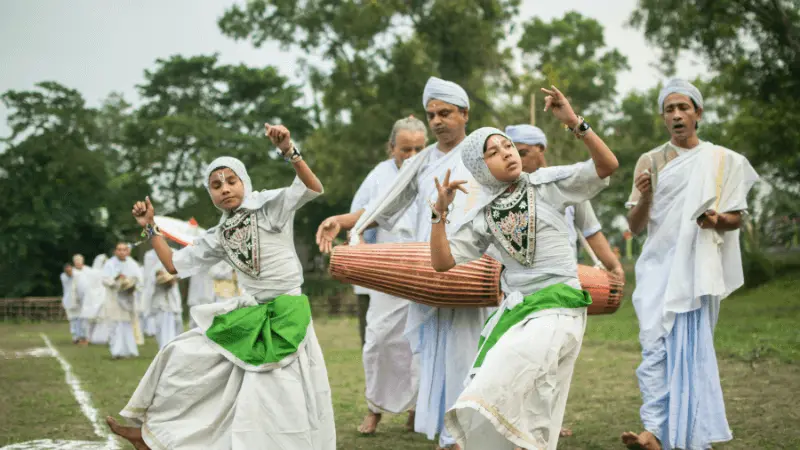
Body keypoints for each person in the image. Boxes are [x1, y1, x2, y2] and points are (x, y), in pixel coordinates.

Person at [106, 123, 335, 450]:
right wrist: (150, 229)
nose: (224, 188)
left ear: (245, 182)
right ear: (210, 193)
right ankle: (151, 434)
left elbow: (312, 187)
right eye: (215, 185)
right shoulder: (218, 234)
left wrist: (289, 151)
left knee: (274, 399)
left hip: (287, 316)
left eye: (231, 180)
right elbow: (173, 264)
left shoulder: (268, 206)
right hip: (250, 314)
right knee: (179, 352)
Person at [432, 86, 618, 450]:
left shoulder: (548, 185)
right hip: (520, 314)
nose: (507, 154)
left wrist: (574, 122)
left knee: (503, 379)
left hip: (560, 307)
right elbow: (442, 263)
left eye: (508, 147)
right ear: (479, 168)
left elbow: (606, 166)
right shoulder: (482, 216)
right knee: (535, 409)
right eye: (494, 152)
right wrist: (439, 214)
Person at [316, 77, 493, 449]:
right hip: (430, 270)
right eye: (432, 114)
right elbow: (387, 205)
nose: (438, 121)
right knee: (433, 354)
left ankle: (468, 433)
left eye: (445, 113)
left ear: (464, 114)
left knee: (471, 350)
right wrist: (350, 224)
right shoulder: (425, 161)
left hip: (477, 270)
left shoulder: (483, 149)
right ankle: (450, 436)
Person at [621, 79, 759, 450]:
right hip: (657, 268)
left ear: (698, 113)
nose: (677, 115)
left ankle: (673, 433)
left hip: (697, 271)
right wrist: (646, 198)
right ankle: (653, 427)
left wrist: (714, 220)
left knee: (691, 350)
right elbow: (633, 227)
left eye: (684, 107)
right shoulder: (649, 161)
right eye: (670, 109)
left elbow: (735, 219)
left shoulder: (720, 160)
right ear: (663, 117)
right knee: (653, 344)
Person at [329, 116, 427, 434]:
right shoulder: (378, 177)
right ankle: (375, 409)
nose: (412, 155)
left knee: (421, 344)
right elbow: (360, 220)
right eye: (405, 149)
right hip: (386, 271)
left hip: (426, 269)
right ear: (391, 148)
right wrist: (348, 233)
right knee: (379, 341)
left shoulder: (434, 170)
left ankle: (418, 409)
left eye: (418, 148)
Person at [505, 124, 624, 281]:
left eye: (523, 153)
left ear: (540, 148)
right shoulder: (504, 192)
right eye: (512, 155)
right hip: (521, 282)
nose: (518, 160)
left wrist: (614, 267)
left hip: (564, 279)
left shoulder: (565, 184)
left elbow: (591, 231)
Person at [102, 242, 141, 359]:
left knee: (127, 324)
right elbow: (104, 279)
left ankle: (130, 350)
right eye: (119, 249)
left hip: (128, 299)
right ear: (115, 251)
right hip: (114, 298)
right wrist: (117, 281)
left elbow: (139, 280)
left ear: (128, 251)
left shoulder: (133, 264)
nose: (122, 252)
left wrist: (131, 286)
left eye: (124, 249)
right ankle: (117, 351)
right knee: (115, 324)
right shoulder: (109, 264)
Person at [141, 247, 184, 349]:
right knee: (161, 326)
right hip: (159, 298)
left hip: (172, 298)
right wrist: (159, 276)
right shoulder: (150, 256)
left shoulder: (174, 253)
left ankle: (172, 348)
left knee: (174, 324)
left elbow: (180, 272)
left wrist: (172, 278)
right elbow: (149, 278)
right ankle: (164, 348)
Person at [59, 263, 81, 343]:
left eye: (70, 270)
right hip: (68, 301)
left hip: (77, 300)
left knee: (79, 319)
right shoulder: (63, 276)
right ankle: (75, 337)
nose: (69, 272)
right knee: (72, 319)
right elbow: (71, 277)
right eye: (67, 271)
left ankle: (79, 336)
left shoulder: (77, 274)